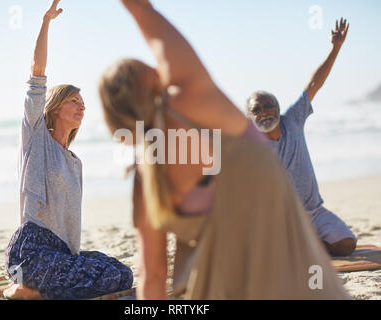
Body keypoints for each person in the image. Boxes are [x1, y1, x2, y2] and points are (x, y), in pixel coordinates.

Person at [99, 0, 349, 299]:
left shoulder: (145, 179)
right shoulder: (194, 97)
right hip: (291, 280)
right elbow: (145, 12)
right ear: (155, 77)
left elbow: (152, 276)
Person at [4, 0, 133, 300]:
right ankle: (27, 290)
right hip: (31, 252)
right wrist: (46, 21)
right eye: (75, 101)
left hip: (61, 253)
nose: (82, 107)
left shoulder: (75, 162)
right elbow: (37, 73)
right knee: (108, 279)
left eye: (83, 104)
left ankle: (32, 292)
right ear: (56, 106)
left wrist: (77, 259)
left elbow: (71, 225)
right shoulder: (36, 139)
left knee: (119, 272)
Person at [246, 18, 357, 257]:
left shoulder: (293, 120)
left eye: (268, 105)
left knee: (347, 243)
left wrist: (335, 49)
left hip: (314, 212)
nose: (264, 111)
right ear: (250, 117)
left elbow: (314, 83)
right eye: (257, 109)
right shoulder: (250, 145)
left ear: (278, 107)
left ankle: (306, 247)